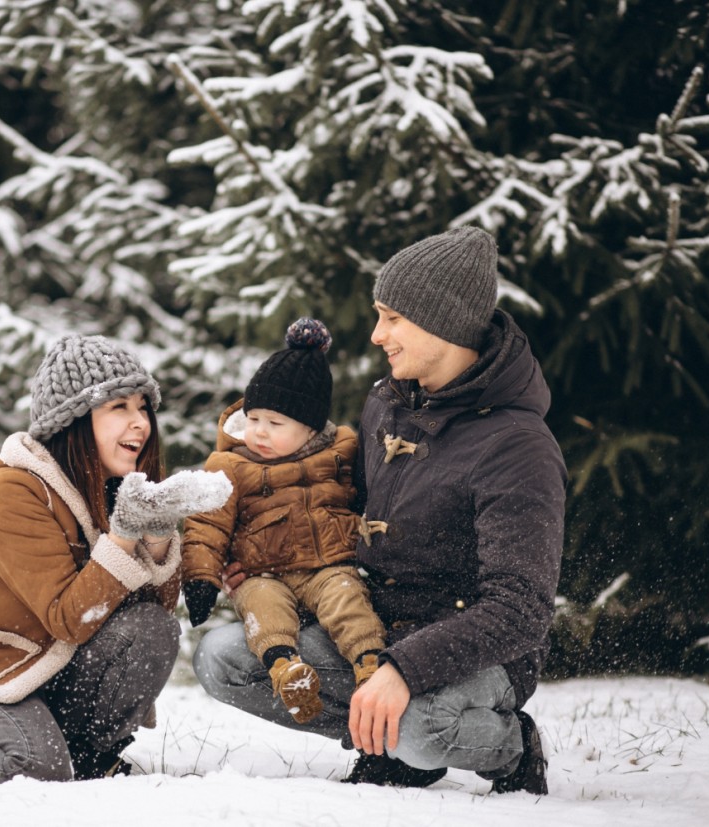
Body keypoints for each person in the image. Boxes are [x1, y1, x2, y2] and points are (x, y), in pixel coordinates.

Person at [192, 226, 566, 795]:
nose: (376, 334)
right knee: (225, 658)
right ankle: (383, 743)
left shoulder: (518, 444)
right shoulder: (386, 403)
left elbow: (522, 611)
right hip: (376, 628)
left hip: (477, 657)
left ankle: (509, 747)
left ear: (442, 320)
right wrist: (268, 559)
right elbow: (337, 512)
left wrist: (406, 669)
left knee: (418, 728)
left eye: (392, 317)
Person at [0, 333, 230, 783]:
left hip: (60, 668)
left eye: (142, 406)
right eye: (119, 407)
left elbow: (156, 608)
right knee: (35, 767)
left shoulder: (115, 487)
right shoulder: (16, 491)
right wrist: (125, 533)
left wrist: (156, 529)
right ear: (73, 419)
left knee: (154, 628)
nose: (141, 422)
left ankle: (90, 755)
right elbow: (68, 617)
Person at [180, 318, 386, 725]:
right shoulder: (232, 465)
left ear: (310, 429)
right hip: (262, 572)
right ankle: (286, 670)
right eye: (253, 418)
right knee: (263, 607)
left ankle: (370, 668)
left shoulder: (341, 453)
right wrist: (201, 579)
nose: (259, 432)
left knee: (346, 599)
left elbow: (370, 496)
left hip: (327, 567)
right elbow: (206, 524)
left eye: (275, 424)